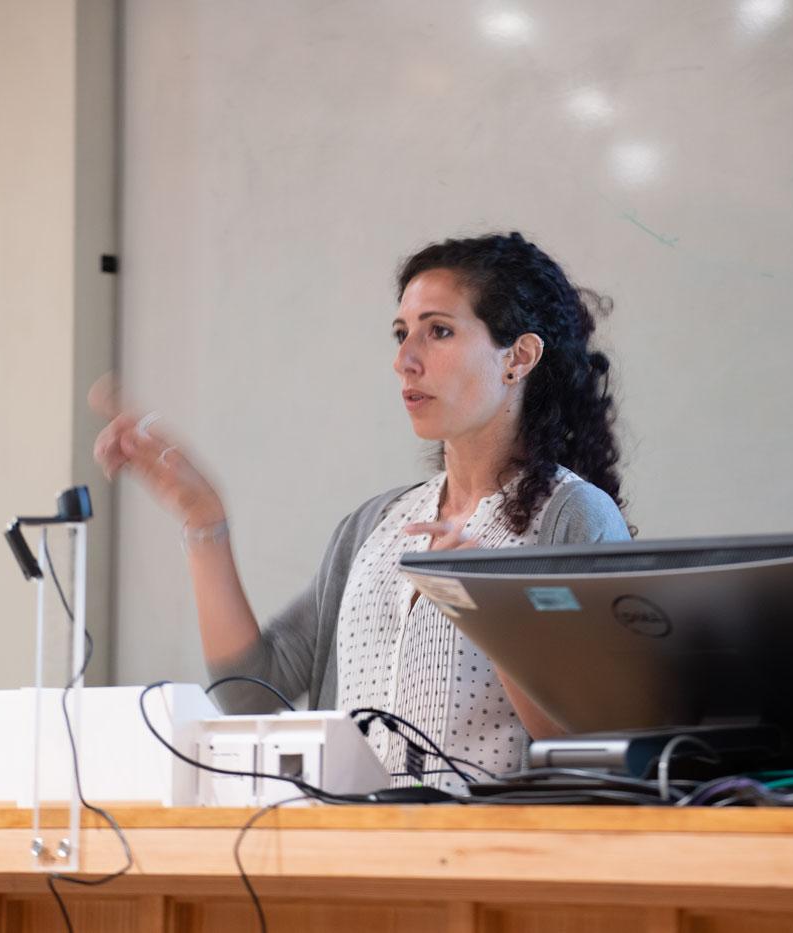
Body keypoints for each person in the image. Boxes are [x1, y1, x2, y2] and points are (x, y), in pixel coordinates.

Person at [92, 232, 631, 786]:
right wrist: (202, 518)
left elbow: (590, 746)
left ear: (518, 356)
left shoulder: (575, 517)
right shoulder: (373, 527)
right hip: (355, 852)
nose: (405, 360)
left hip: (491, 860)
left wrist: (489, 610)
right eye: (401, 334)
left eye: (438, 331)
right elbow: (252, 694)